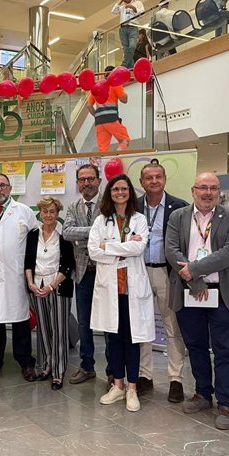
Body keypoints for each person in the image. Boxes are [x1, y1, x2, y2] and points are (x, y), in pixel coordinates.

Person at [165, 172, 229, 430]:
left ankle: (226, 403)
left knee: (224, 351)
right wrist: (195, 281)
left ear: (219, 191)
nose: (208, 192)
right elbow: (171, 250)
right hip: (190, 292)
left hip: (222, 293)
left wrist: (194, 269)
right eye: (203, 187)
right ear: (193, 190)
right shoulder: (178, 216)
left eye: (213, 188)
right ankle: (202, 393)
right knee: (195, 346)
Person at [89, 175, 153, 412]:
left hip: (132, 289)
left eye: (124, 189)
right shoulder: (100, 221)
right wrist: (124, 249)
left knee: (132, 339)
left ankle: (132, 389)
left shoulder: (140, 220)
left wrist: (110, 247)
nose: (120, 192)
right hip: (110, 289)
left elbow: (139, 248)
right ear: (110, 192)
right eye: (116, 189)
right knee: (114, 340)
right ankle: (117, 385)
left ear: (130, 192)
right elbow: (93, 251)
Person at [0, 173, 38, 381]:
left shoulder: (24, 212)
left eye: (3, 185)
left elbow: (34, 242)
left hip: (16, 274)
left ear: (10, 188)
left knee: (21, 319)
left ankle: (26, 362)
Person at [137, 162, 188, 402]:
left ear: (165, 179)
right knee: (142, 325)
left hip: (168, 274)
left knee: (172, 326)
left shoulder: (179, 207)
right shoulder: (133, 206)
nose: (154, 181)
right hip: (139, 272)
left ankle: (175, 379)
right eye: (149, 177)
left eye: (158, 177)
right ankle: (144, 375)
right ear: (142, 182)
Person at [64, 164, 112, 385]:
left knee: (109, 322)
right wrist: (95, 234)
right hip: (83, 273)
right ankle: (87, 366)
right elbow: (67, 232)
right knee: (84, 323)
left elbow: (111, 235)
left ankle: (113, 369)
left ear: (99, 180)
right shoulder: (73, 206)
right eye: (82, 180)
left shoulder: (109, 203)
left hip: (106, 272)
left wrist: (83, 237)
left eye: (90, 179)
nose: (86, 183)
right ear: (77, 183)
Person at [25, 197, 75, 390]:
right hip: (37, 286)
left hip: (58, 287)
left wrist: (52, 286)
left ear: (58, 213)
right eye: (45, 211)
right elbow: (28, 262)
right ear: (40, 213)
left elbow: (69, 265)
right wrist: (30, 284)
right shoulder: (33, 235)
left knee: (59, 330)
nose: (48, 215)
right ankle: (45, 366)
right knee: (44, 329)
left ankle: (58, 371)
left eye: (52, 211)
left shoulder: (64, 236)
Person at [87, 67, 130, 152]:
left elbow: (89, 105)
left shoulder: (97, 86)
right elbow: (124, 100)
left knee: (103, 149)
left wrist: (97, 115)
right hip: (111, 119)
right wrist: (124, 94)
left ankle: (104, 163)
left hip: (99, 121)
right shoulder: (115, 84)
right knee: (125, 140)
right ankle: (117, 155)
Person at [111, 0, 144, 69]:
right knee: (126, 50)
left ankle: (124, 65)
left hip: (133, 27)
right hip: (123, 28)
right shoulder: (122, 7)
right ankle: (131, 68)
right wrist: (120, 1)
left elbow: (142, 12)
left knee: (132, 46)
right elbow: (113, 11)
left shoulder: (137, 3)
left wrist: (133, 7)